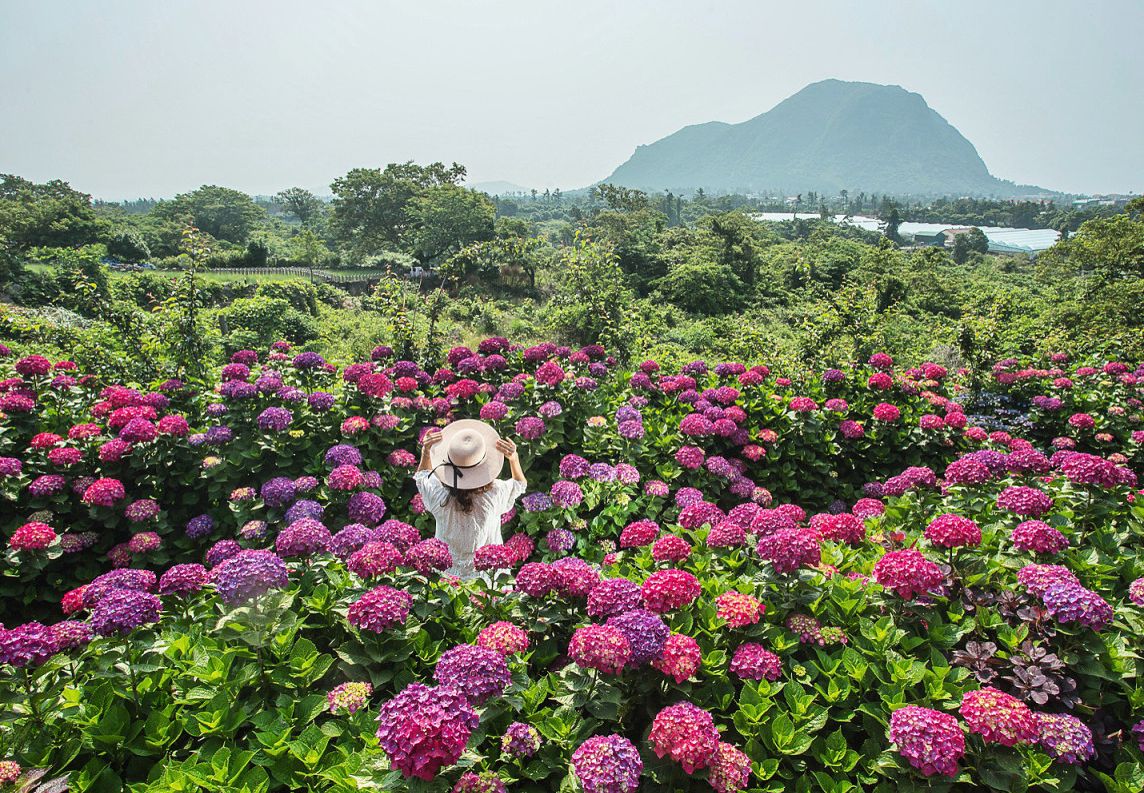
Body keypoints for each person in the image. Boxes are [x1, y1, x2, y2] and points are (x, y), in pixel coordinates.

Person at [413, 419, 526, 579]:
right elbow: (519, 484)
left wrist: (426, 452)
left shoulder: (439, 496)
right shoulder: (495, 494)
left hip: (448, 579)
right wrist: (514, 459)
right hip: (487, 580)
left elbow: (422, 476)